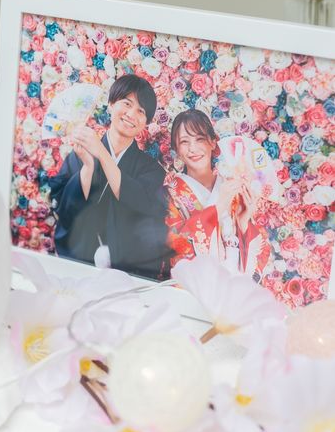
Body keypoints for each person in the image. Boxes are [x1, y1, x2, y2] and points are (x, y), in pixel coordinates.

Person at [50, 74, 171, 280]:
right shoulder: (80, 154)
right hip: (78, 264)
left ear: (146, 122)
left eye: (141, 111)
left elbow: (141, 205)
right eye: (127, 104)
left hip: (125, 273)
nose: (131, 114)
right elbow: (65, 211)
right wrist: (88, 167)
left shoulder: (151, 169)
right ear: (111, 105)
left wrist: (101, 154)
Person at [165, 109, 270, 279]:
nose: (193, 148)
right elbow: (175, 249)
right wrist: (218, 207)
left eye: (200, 139)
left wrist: (243, 223)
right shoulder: (171, 193)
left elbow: (261, 254)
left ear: (213, 142)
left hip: (234, 284)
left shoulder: (233, 187)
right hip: (198, 286)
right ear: (176, 149)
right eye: (184, 141)